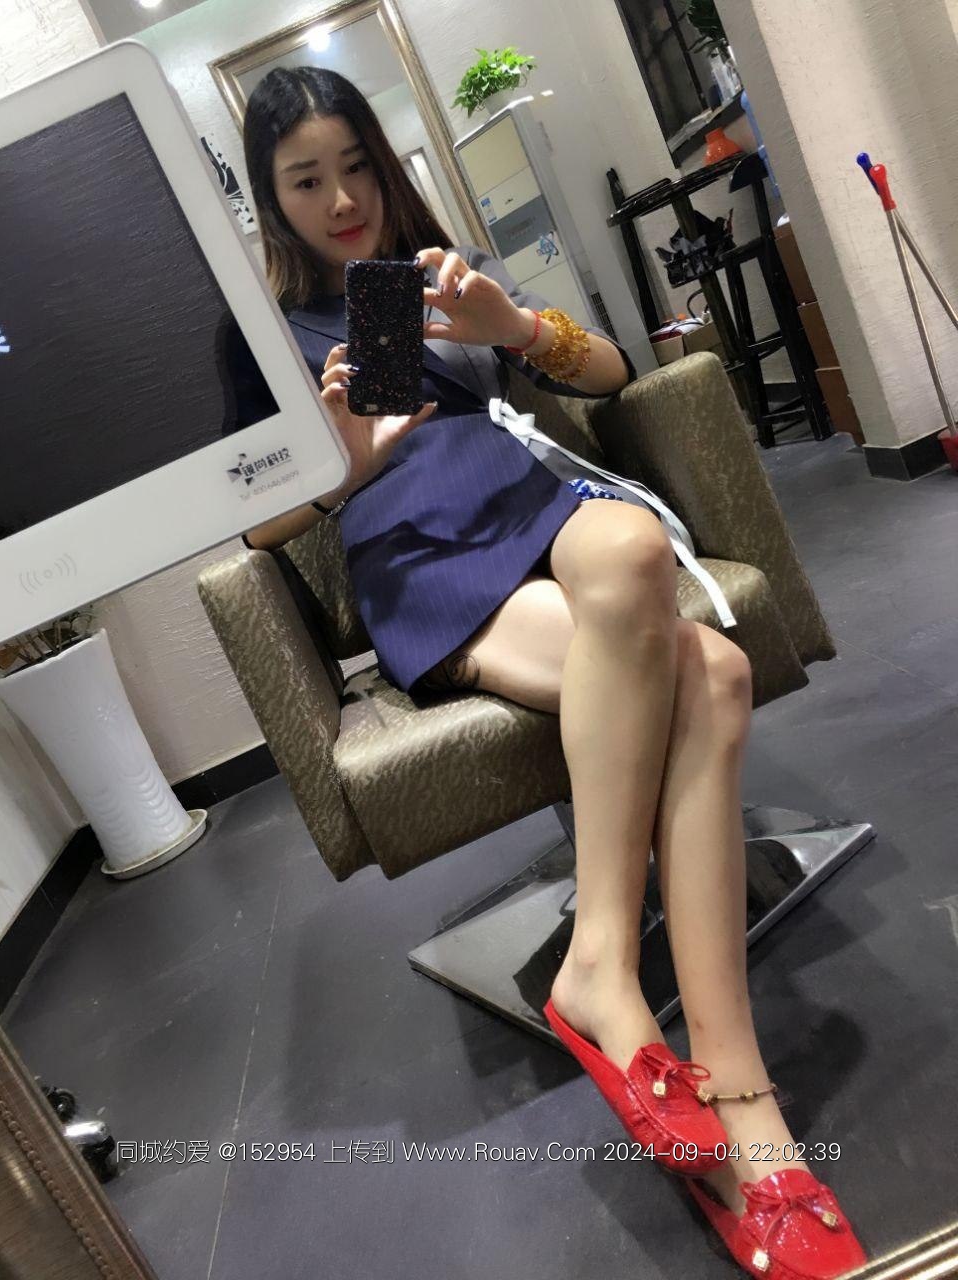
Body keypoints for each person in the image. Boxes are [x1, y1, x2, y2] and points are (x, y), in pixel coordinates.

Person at [238, 64, 865, 1280]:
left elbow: (611, 374)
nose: (343, 200)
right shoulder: (260, 332)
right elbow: (251, 526)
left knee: (627, 545)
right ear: (273, 199)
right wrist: (343, 467)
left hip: (535, 507)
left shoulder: (447, 272)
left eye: (356, 166)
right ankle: (747, 1104)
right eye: (307, 181)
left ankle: (601, 967)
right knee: (713, 676)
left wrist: (512, 331)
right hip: (421, 556)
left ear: (385, 161)